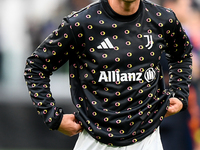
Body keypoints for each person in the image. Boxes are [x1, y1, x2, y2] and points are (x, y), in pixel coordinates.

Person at [24, 0, 193, 149]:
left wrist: (180, 94)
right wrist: (53, 117)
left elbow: (182, 55)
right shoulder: (81, 22)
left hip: (148, 139)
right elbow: (36, 67)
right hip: (95, 139)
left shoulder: (163, 19)